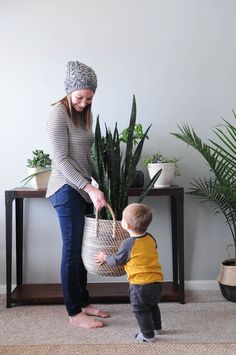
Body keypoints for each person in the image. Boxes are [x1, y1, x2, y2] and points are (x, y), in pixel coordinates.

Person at [46, 61, 109, 329]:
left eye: (89, 98)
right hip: (64, 189)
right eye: (79, 97)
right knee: (71, 251)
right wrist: (90, 187)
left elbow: (86, 158)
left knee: (82, 250)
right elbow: (60, 160)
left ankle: (83, 302)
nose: (84, 103)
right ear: (69, 92)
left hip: (82, 190)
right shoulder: (57, 114)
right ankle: (74, 313)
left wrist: (104, 180)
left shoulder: (85, 116)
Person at [95, 203, 164, 342]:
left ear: (127, 226)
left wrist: (105, 257)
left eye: (122, 219)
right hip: (157, 281)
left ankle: (148, 335)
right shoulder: (150, 237)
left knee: (140, 310)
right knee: (152, 305)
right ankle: (157, 327)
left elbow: (117, 260)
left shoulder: (128, 243)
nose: (121, 220)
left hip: (140, 285)